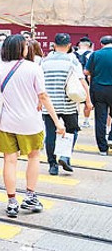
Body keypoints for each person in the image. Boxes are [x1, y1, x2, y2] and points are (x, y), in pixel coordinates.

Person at [0, 34, 64, 218]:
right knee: (33, 157)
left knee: (9, 161)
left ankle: (12, 202)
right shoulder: (33, 68)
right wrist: (57, 122)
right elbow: (43, 97)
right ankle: (30, 197)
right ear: (20, 48)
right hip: (31, 123)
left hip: (6, 123)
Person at [41, 33, 91, 175]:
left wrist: (39, 102)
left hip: (49, 106)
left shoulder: (44, 62)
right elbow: (82, 81)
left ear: (53, 45)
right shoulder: (72, 60)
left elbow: (39, 85)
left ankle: (52, 164)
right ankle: (65, 156)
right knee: (72, 131)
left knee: (50, 134)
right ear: (69, 45)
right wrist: (88, 100)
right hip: (68, 104)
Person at [85, 35, 112, 155]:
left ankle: (102, 148)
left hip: (99, 89)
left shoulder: (95, 55)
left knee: (100, 118)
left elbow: (86, 71)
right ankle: (111, 137)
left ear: (101, 44)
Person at [75, 37, 94, 127]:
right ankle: (86, 121)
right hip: (87, 80)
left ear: (79, 44)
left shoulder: (72, 54)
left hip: (74, 80)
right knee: (87, 101)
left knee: (74, 100)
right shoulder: (91, 54)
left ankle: (76, 120)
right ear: (89, 45)